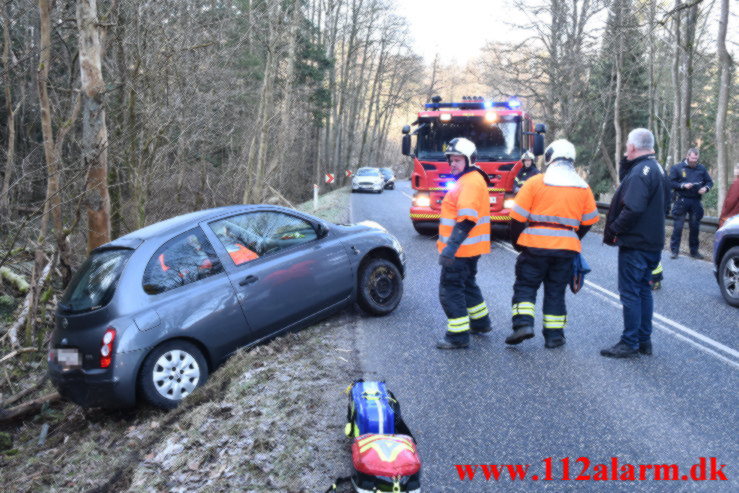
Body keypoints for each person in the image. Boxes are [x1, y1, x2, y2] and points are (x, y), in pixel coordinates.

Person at [505, 139, 599, 348]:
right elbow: (589, 221)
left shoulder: (536, 182)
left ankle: (523, 325)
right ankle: (554, 336)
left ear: (550, 158)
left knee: (526, 286)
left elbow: (517, 218)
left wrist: (517, 243)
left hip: (535, 247)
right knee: (556, 290)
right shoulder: (583, 188)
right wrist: (571, 239)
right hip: (565, 250)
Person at [602, 128, 666, 358]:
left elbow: (634, 207)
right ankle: (644, 340)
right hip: (653, 241)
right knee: (643, 291)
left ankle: (629, 341)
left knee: (630, 292)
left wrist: (615, 229)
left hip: (636, 242)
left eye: (627, 146)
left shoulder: (640, 171)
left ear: (632, 147)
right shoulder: (657, 168)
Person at [435, 137, 493, 349]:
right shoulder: (470, 179)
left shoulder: (469, 182)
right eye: (450, 160)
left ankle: (457, 336)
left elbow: (467, 219)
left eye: (457, 160)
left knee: (450, 289)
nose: (452, 164)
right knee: (467, 285)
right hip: (469, 249)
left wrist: (450, 248)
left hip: (460, 250)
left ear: (469, 160)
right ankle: (481, 323)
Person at [669, 148, 713, 259]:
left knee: (695, 227)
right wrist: (683, 185)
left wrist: (705, 188)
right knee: (678, 227)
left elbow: (709, 182)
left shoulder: (701, 168)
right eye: (693, 158)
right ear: (687, 156)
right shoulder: (677, 168)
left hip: (695, 201)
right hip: (682, 200)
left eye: (696, 159)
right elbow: (670, 182)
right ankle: (674, 251)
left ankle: (694, 252)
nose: (694, 161)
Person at [719, 163, 739, 228]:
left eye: (735, 169)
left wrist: (724, 214)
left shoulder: (737, 183)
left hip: (733, 217)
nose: (734, 170)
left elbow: (731, 201)